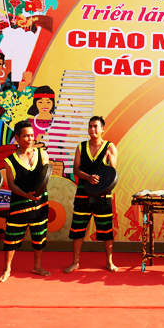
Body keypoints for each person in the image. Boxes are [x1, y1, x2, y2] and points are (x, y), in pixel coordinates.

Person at [0, 121, 50, 282]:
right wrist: (26, 195)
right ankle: (7, 270)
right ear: (17, 138)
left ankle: (37, 266)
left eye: (32, 135)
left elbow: (45, 177)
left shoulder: (42, 154)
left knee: (39, 236)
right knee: (11, 237)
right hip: (20, 203)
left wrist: (37, 193)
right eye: (26, 136)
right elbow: (11, 184)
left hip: (40, 202)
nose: (30, 138)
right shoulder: (10, 160)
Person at [64, 116, 118, 273]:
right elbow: (75, 170)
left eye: (95, 126)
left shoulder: (110, 147)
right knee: (78, 229)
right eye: (90, 126)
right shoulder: (81, 147)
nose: (92, 129)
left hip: (103, 196)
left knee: (106, 230)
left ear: (103, 129)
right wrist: (88, 177)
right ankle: (75, 262)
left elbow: (112, 174)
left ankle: (109, 262)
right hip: (83, 193)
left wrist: (101, 182)